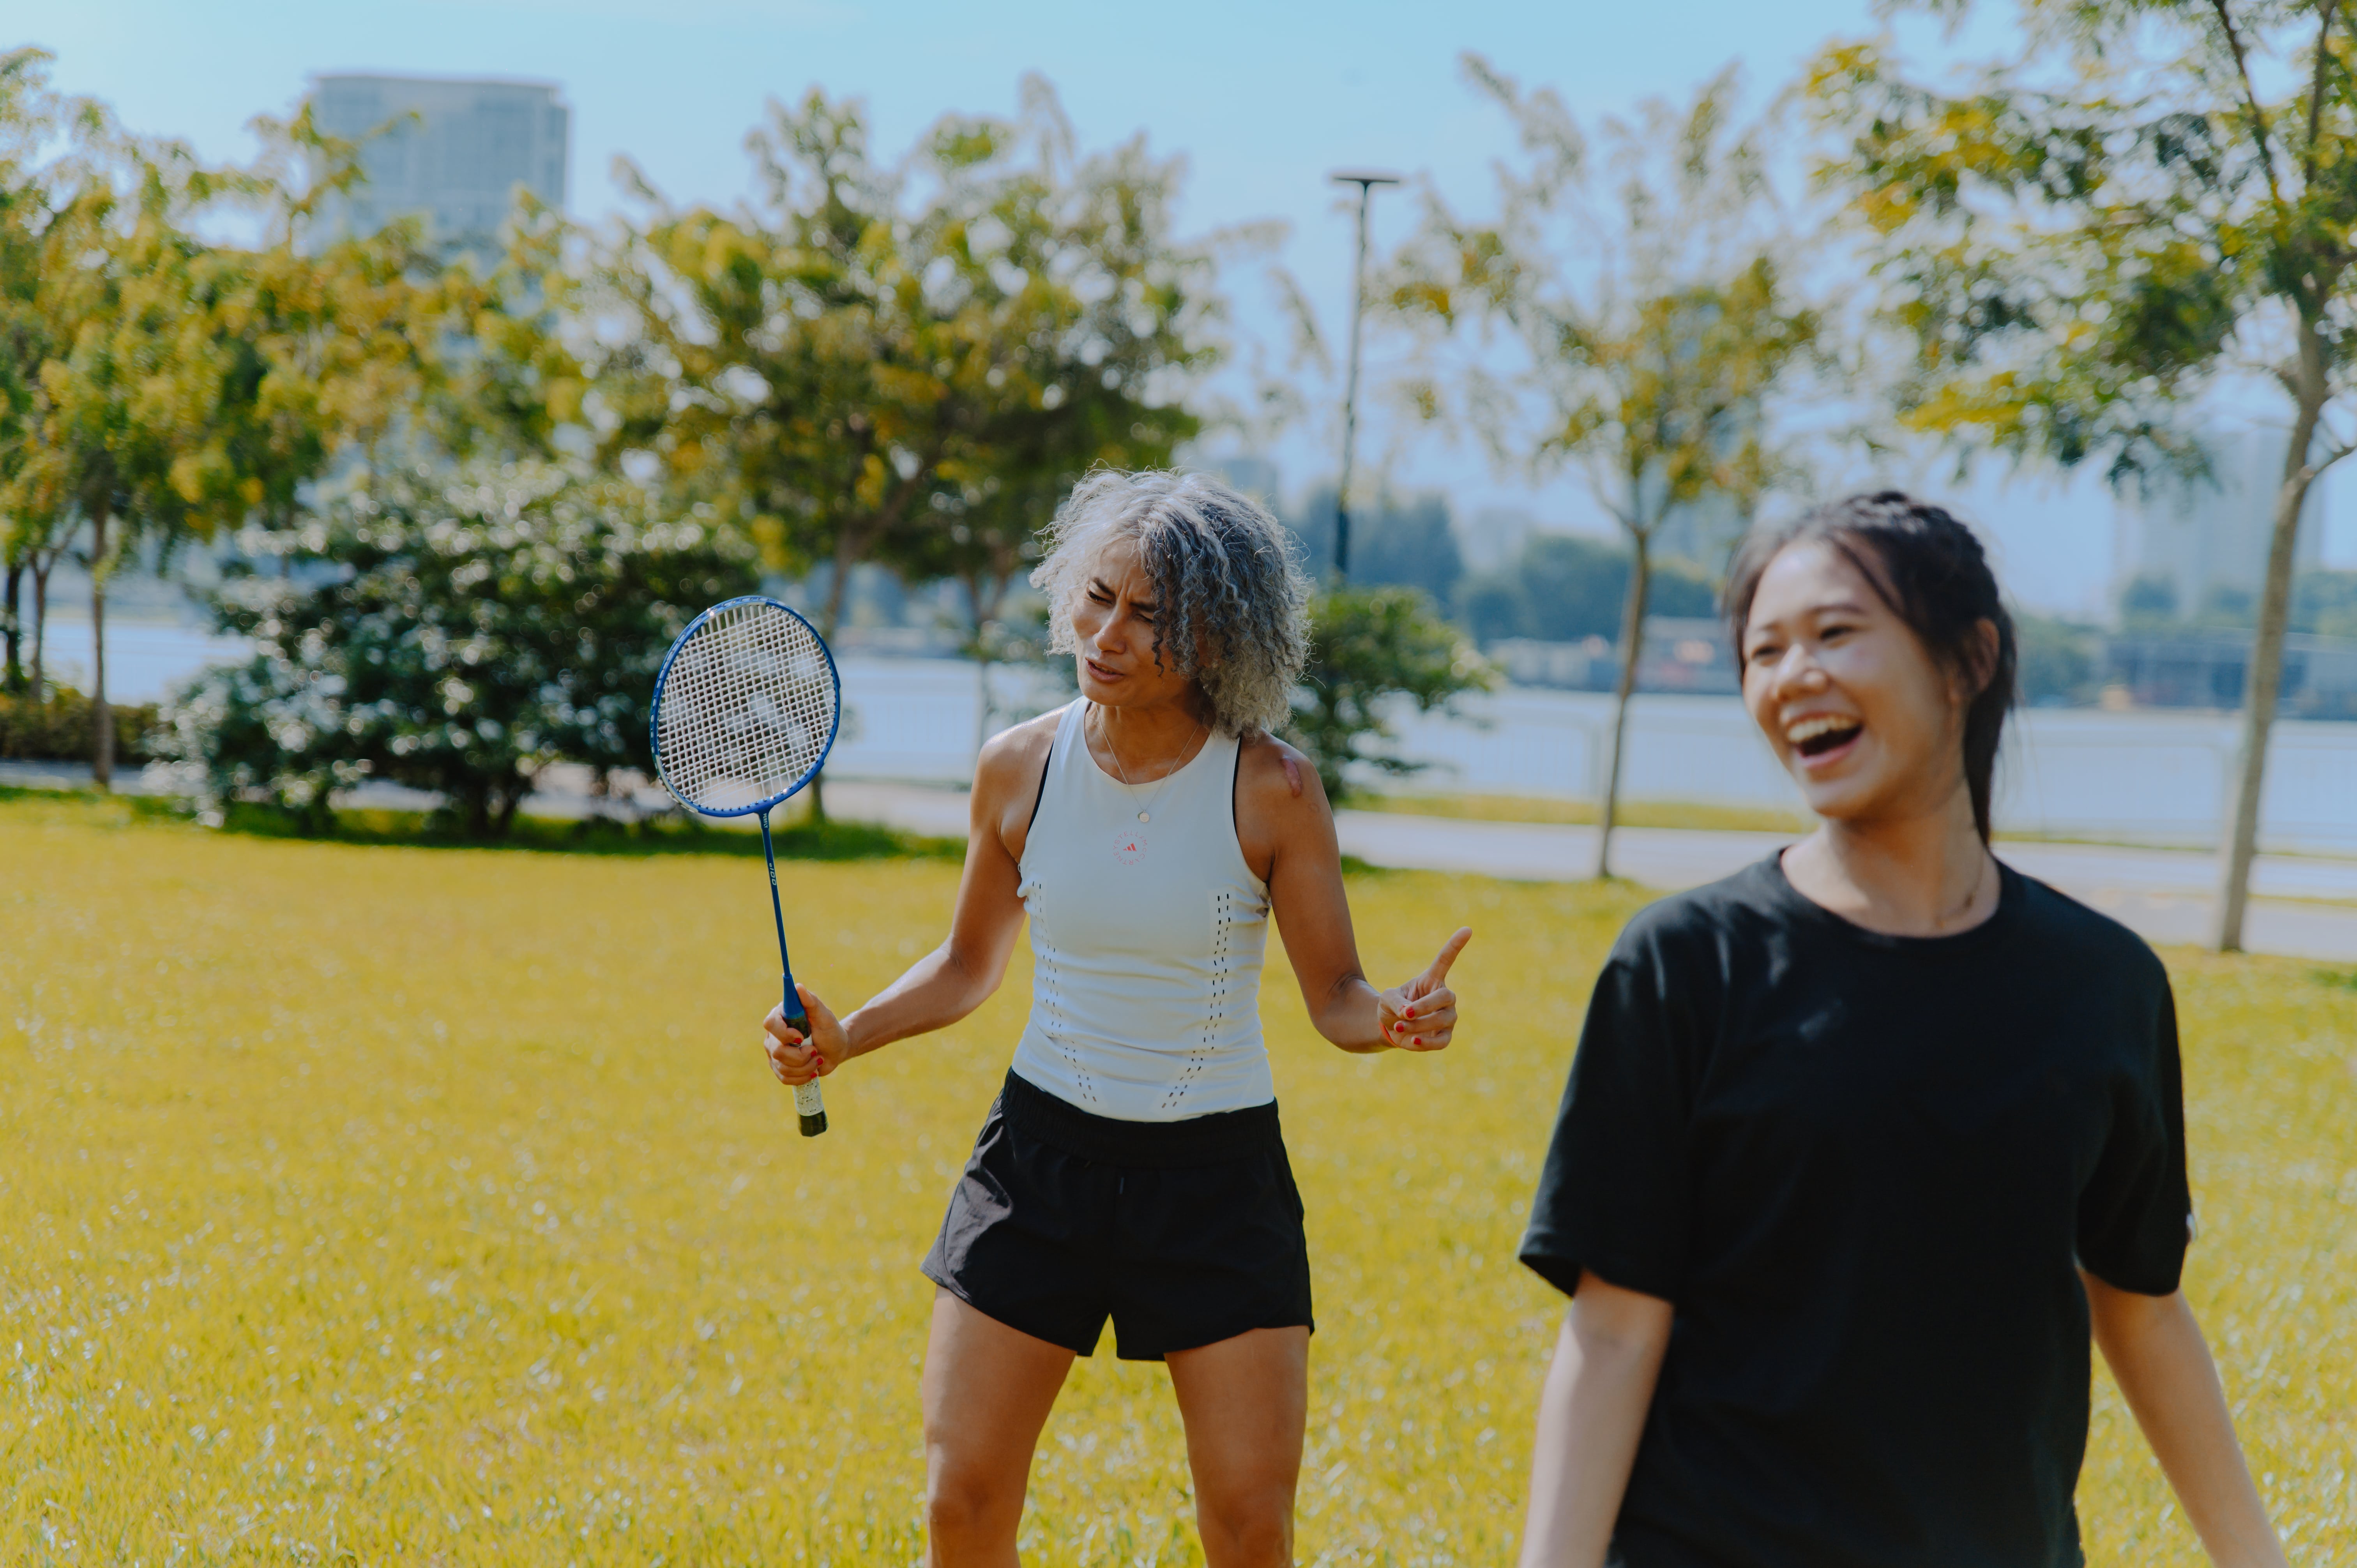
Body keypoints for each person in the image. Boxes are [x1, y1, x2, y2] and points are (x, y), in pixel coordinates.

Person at [1514, 492, 2288, 1568]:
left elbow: (2143, 1308)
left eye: (1834, 634)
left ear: (1969, 658)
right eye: (1763, 651)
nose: (1792, 679)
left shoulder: (2103, 985)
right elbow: (1611, 1327)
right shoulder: (1690, 964)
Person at [760, 469, 1473, 1568]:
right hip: (1037, 1165)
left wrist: (1395, 1019)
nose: (1108, 634)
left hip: (1216, 1183)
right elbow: (966, 964)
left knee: (1247, 1525)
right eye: (1098, 598)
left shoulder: (1272, 786)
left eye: (1152, 617)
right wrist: (848, 1033)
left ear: (1220, 638)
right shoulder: (1019, 768)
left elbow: (1335, 996)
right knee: (962, 1498)